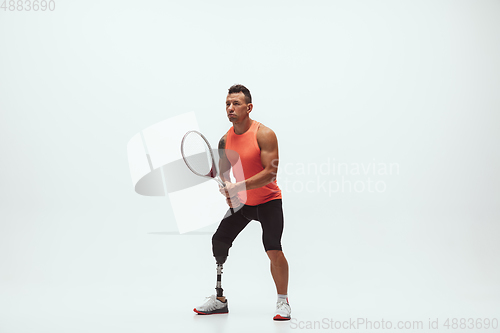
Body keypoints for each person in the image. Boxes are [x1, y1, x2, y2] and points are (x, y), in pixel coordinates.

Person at [193, 84, 291, 321]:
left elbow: (270, 173)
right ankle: (219, 299)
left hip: (268, 201)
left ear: (249, 107)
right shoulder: (225, 140)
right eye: (227, 104)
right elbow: (225, 173)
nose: (230, 108)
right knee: (219, 240)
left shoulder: (264, 134)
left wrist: (238, 186)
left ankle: (282, 302)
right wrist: (227, 190)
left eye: (236, 104)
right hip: (244, 204)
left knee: (273, 248)